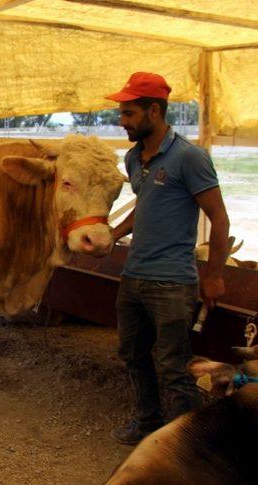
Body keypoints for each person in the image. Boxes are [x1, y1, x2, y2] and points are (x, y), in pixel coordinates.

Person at [106, 72, 230, 445]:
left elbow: (219, 218)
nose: (122, 121)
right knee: (131, 354)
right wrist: (112, 234)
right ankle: (147, 423)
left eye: (128, 114)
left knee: (173, 366)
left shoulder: (190, 158)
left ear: (154, 111)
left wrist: (213, 275)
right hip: (134, 276)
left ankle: (186, 445)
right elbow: (143, 207)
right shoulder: (133, 158)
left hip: (173, 282)